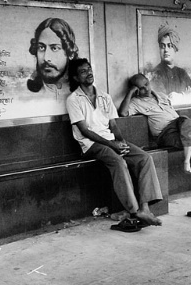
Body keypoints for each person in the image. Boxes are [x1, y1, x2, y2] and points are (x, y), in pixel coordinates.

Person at [66, 59, 163, 226]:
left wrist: (121, 142)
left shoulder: (104, 96)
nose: (89, 73)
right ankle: (133, 210)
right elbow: (85, 131)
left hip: (111, 140)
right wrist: (112, 145)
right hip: (90, 145)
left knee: (144, 157)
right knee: (118, 162)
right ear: (75, 78)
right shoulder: (73, 99)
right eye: (83, 71)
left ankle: (145, 208)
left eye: (89, 69)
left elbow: (113, 125)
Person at [118, 73, 191, 175]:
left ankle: (190, 151)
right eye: (141, 88)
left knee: (187, 122)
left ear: (149, 81)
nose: (146, 89)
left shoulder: (162, 95)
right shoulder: (136, 102)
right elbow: (123, 113)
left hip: (179, 124)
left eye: (146, 84)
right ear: (136, 90)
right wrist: (130, 92)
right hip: (165, 133)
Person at [26, 17, 79, 97]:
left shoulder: (81, 93)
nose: (46, 58)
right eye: (41, 48)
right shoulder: (24, 94)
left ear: (70, 53)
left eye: (54, 48)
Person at [149, 25, 191, 99]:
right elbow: (163, 98)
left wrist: (180, 96)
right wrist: (182, 95)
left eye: (169, 46)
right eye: (162, 46)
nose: (166, 50)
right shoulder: (155, 74)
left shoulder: (182, 73)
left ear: (175, 49)